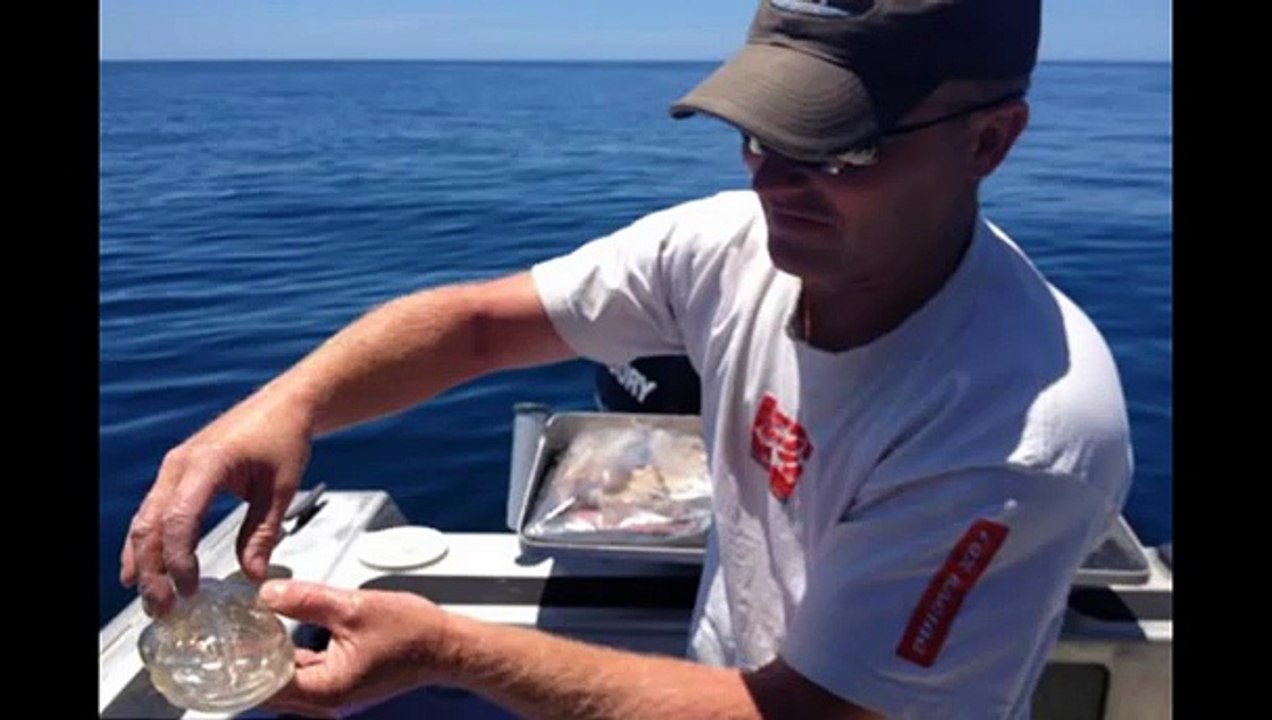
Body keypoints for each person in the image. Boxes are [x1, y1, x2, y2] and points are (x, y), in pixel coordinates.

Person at [119, 1, 1134, 717]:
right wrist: (281, 406)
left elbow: (821, 714)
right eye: (759, 133)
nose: (773, 182)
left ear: (990, 141)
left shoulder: (1017, 436)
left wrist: (447, 653)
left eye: (838, 147)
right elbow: (480, 323)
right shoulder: (726, 248)